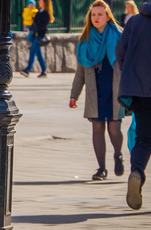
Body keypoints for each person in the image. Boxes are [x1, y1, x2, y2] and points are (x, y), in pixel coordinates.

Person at [69, 0, 125, 181]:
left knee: (114, 129)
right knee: (97, 129)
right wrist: (74, 95)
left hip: (115, 90)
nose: (96, 18)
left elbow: (128, 65)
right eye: (93, 14)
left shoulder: (119, 36)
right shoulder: (85, 41)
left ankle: (118, 154)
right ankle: (101, 168)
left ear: (108, 17)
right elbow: (80, 71)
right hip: (96, 92)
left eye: (100, 14)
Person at [116, 1, 151, 210]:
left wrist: (130, 74)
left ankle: (137, 171)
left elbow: (120, 52)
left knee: (144, 138)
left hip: (140, 91)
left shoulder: (135, 21)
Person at [20, 0, 54, 78]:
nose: (39, 2)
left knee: (32, 51)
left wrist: (35, 19)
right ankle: (44, 70)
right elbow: (34, 22)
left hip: (40, 36)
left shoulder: (45, 13)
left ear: (44, 2)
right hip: (35, 35)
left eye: (40, 1)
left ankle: (28, 70)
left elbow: (43, 25)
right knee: (38, 54)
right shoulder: (39, 11)